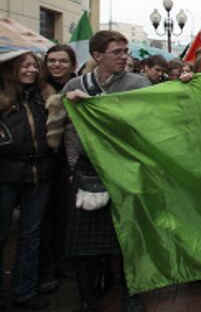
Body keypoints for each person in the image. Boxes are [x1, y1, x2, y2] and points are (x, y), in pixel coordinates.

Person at [56, 31, 152, 312]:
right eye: (118, 52)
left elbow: (149, 125)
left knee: (129, 240)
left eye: (126, 51)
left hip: (126, 168)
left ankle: (132, 293)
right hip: (89, 171)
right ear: (97, 56)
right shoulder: (76, 85)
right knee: (85, 242)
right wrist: (74, 166)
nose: (125, 57)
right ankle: (86, 299)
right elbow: (69, 131)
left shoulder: (139, 84)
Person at [0, 52, 56, 310]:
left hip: (39, 175)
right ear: (11, 68)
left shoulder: (43, 96)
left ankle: (25, 292)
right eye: (25, 65)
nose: (32, 70)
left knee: (30, 236)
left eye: (35, 65)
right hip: (5, 176)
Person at [38, 45, 78, 294]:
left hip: (69, 162)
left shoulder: (79, 87)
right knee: (43, 220)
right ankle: (45, 270)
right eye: (51, 60)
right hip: (42, 161)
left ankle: (64, 262)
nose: (56, 65)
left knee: (65, 216)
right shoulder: (36, 89)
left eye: (62, 61)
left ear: (72, 64)